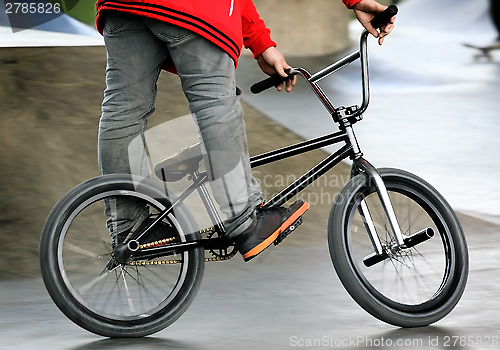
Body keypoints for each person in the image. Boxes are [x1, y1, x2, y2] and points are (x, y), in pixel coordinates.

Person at [96, 0, 394, 262]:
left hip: (123, 8)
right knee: (216, 103)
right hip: (192, 8)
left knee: (123, 109)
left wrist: (261, 43)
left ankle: (129, 228)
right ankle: (242, 218)